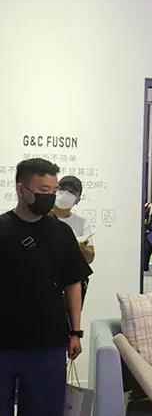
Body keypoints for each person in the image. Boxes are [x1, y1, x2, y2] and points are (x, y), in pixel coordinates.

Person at [0, 159, 92, 415]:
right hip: (3, 342)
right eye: (43, 191)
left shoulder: (61, 233)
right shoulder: (2, 229)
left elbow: (73, 283)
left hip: (48, 343)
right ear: (21, 189)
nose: (50, 197)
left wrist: (76, 331)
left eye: (53, 190)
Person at [52, 175, 95, 302]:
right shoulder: (41, 217)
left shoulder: (82, 223)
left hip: (72, 283)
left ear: (78, 199)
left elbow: (90, 257)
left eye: (71, 192)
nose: (66, 194)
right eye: (62, 189)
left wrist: (74, 243)